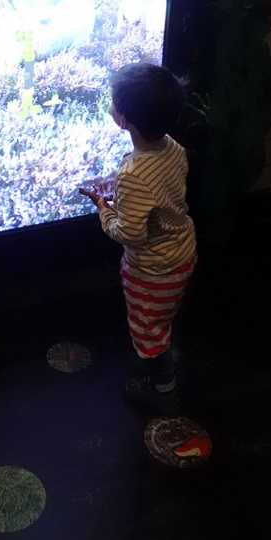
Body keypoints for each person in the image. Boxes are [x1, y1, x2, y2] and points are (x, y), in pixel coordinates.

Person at [80, 62, 196, 414]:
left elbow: (130, 233)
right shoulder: (173, 147)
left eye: (114, 103)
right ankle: (160, 347)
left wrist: (105, 208)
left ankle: (164, 388)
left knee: (147, 329)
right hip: (182, 250)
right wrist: (120, 191)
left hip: (153, 267)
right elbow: (157, 191)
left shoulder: (133, 174)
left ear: (123, 119)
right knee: (161, 317)